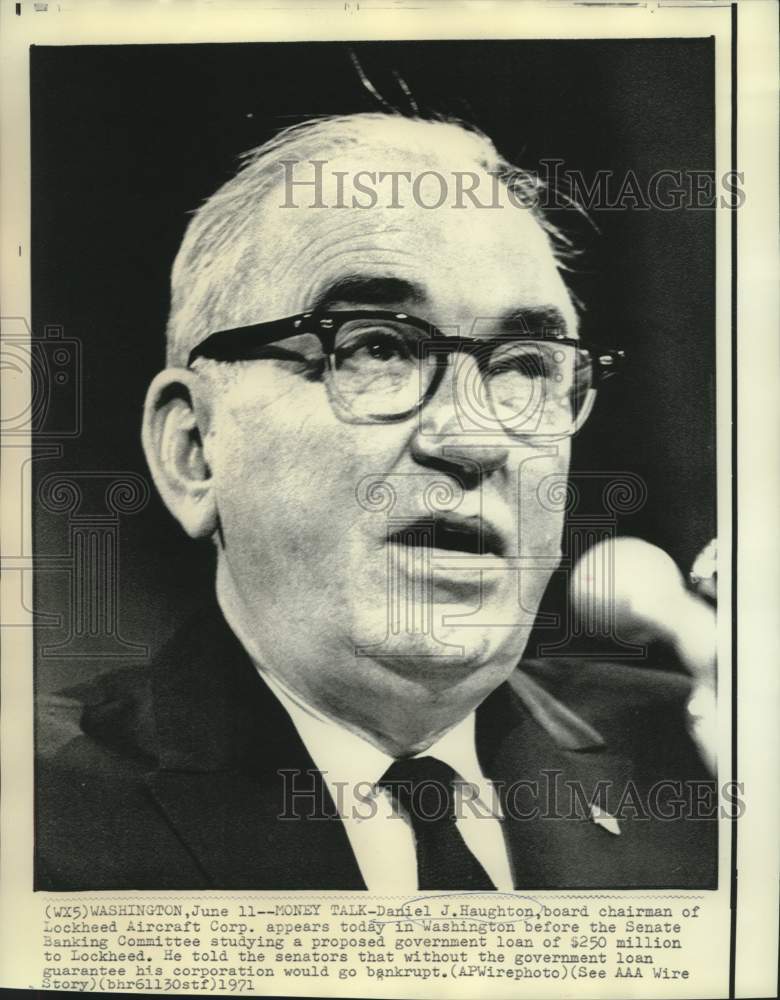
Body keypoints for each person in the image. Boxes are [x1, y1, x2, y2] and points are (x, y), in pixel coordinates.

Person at [36, 113, 717, 891]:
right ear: (194, 450)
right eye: (377, 346)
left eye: (527, 364)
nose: (475, 439)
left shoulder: (712, 765)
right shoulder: (35, 820)